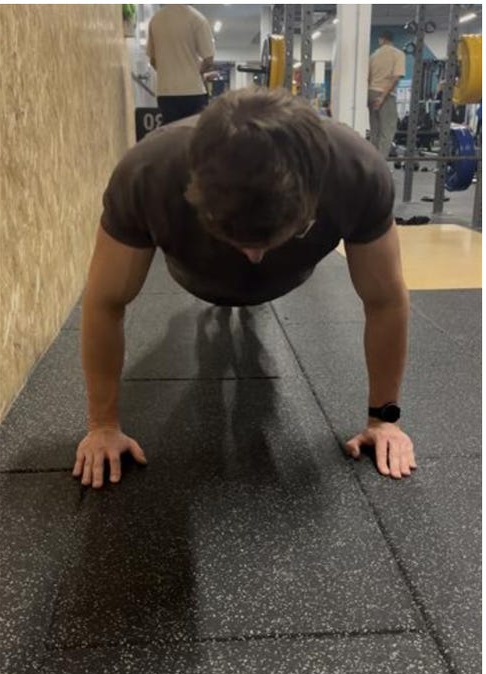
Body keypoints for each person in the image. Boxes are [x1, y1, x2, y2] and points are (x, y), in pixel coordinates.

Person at [72, 87, 416, 490]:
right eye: (238, 241)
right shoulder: (147, 173)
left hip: (289, 276)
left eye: (270, 241)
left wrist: (384, 419)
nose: (253, 257)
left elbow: (386, 300)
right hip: (195, 275)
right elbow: (104, 302)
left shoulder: (358, 172)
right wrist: (102, 425)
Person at [145, 5, 215, 124]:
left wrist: (167, 72)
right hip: (193, 91)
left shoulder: (155, 20)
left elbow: (153, 60)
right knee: (193, 137)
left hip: (165, 93)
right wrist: (196, 72)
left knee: (171, 136)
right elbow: (209, 60)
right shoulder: (197, 19)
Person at [367, 30, 405, 159]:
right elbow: (395, 77)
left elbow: (368, 78)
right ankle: (381, 164)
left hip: (371, 92)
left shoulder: (373, 56)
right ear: (391, 40)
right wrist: (382, 97)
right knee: (387, 131)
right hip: (386, 94)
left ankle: (372, 162)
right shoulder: (398, 54)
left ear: (381, 40)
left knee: (375, 131)